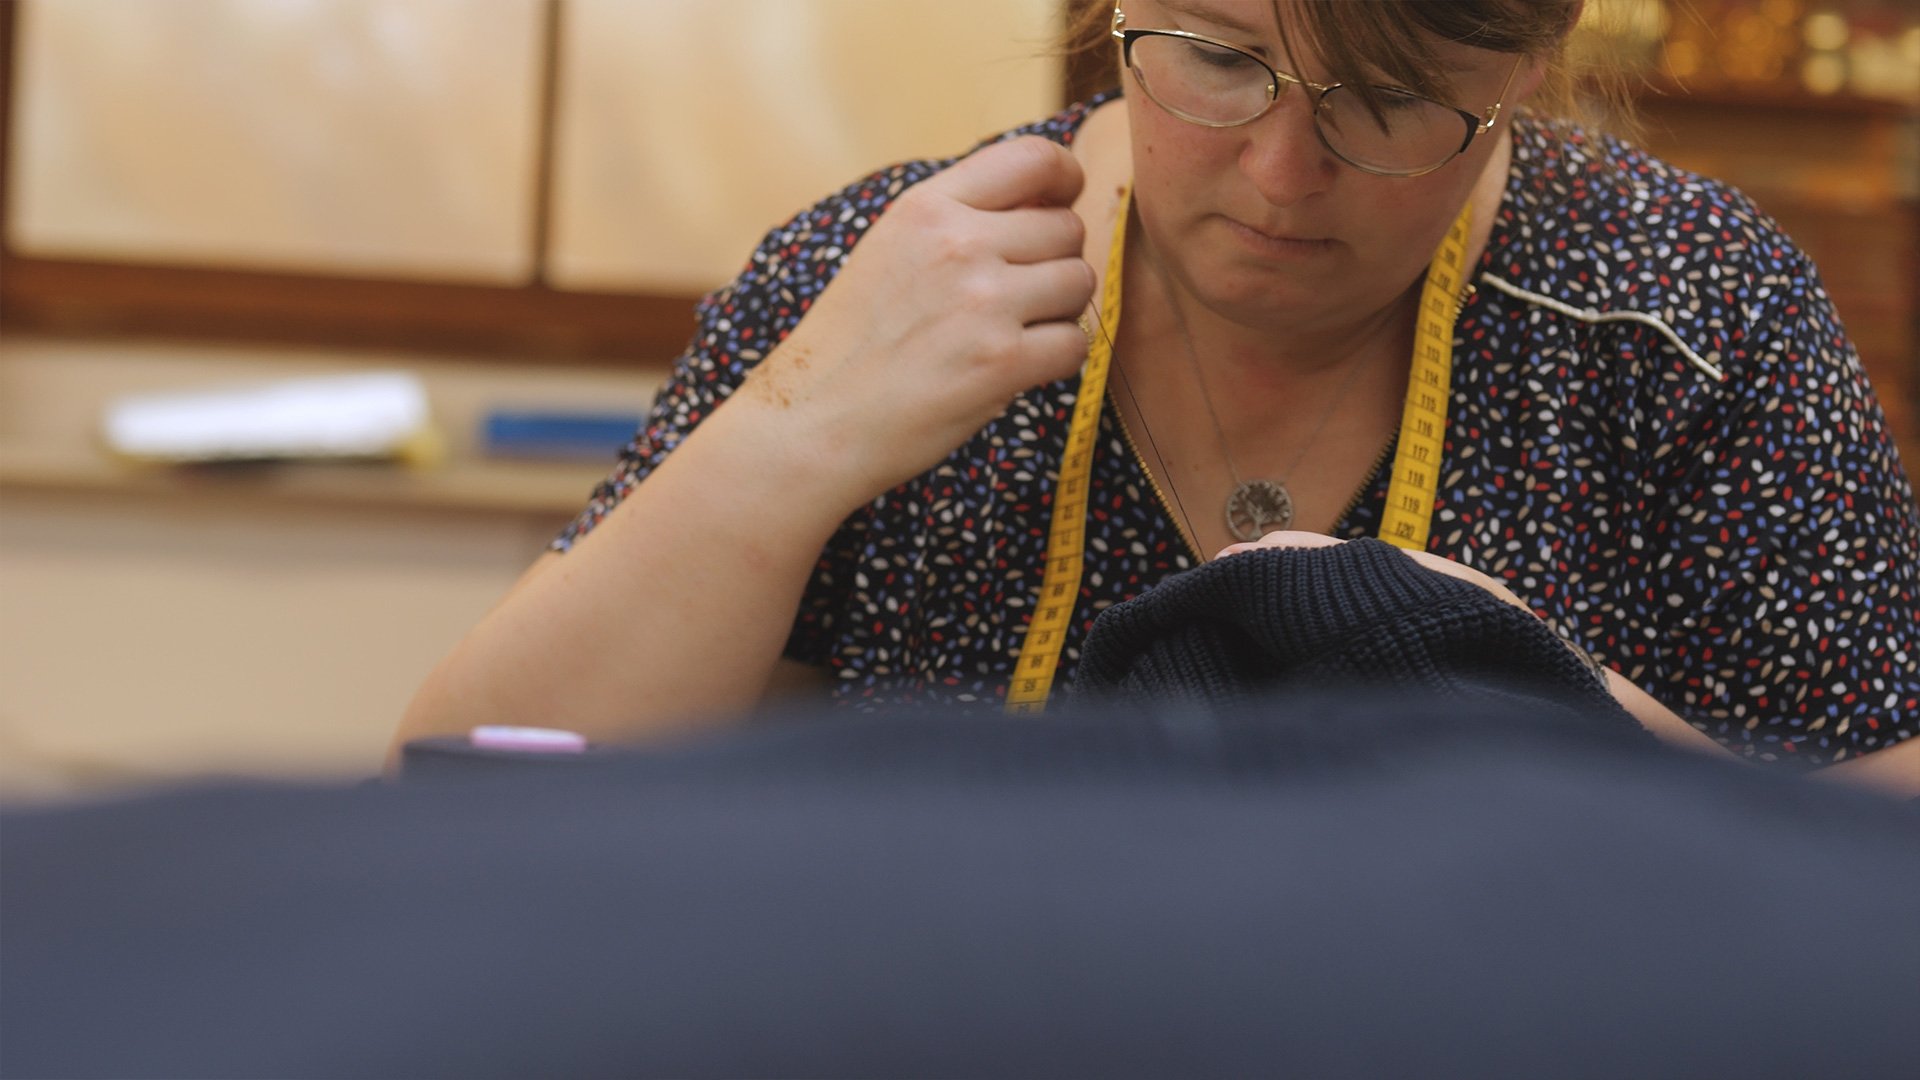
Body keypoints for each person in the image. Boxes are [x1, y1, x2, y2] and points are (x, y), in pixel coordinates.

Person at [395, 0, 1920, 788]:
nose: (1279, 173)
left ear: (1530, 66)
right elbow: (475, 790)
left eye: (1385, 103)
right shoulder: (899, 267)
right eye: (1212, 58)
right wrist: (795, 436)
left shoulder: (1683, 315)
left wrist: (1554, 716)